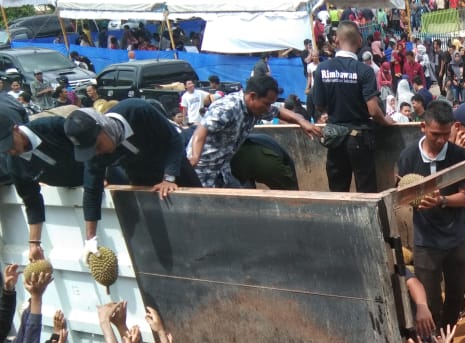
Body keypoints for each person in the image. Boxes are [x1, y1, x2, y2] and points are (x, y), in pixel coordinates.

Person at [64, 101, 201, 243]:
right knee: (164, 233)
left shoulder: (138, 111)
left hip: (175, 168)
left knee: (199, 218)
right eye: (92, 151)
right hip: (141, 180)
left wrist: (169, 178)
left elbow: (174, 139)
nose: (98, 153)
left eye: (98, 146)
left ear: (103, 127)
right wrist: (90, 239)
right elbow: (92, 191)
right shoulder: (96, 155)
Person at [396, 100, 465, 327]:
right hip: (426, 241)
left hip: (456, 239)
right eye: (435, 134)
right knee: (429, 299)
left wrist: (441, 200)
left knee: (455, 296)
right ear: (423, 127)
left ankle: (448, 341)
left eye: (445, 133)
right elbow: (401, 190)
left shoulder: (459, 156)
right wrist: (412, 199)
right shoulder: (408, 157)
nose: (441, 139)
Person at [188, 75, 319, 188]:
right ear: (252, 96)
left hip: (223, 170)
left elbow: (278, 112)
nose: (268, 108)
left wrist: (302, 121)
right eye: (266, 103)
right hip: (202, 171)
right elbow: (201, 131)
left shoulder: (256, 109)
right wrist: (194, 157)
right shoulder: (228, 108)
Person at [312, 21, 393, 193]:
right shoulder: (364, 71)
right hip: (360, 139)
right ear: (359, 41)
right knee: (367, 192)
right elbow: (373, 110)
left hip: (335, 139)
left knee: (338, 192)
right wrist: (386, 121)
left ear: (337, 40)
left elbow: (319, 105)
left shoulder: (322, 69)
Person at [0, 98, 84, 260]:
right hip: (74, 194)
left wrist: (99, 175)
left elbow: (91, 144)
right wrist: (34, 243)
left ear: (16, 129)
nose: (10, 151)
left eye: (10, 144)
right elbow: (32, 202)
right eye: (5, 150)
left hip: (105, 178)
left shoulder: (50, 126)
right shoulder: (15, 164)